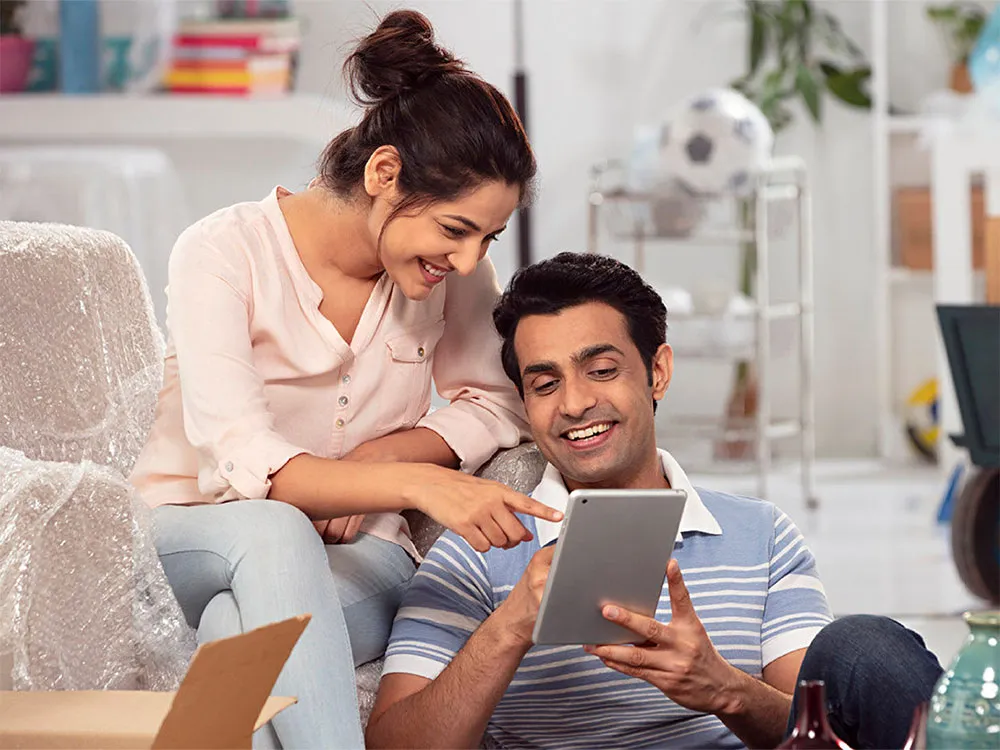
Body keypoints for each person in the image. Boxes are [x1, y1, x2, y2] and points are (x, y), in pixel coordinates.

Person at [128, 11, 561, 750]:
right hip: (192, 534)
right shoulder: (221, 252)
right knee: (270, 531)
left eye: (486, 239)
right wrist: (417, 486)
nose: (466, 261)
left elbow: (497, 402)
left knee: (241, 640)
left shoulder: (456, 276)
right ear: (384, 174)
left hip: (366, 555)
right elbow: (243, 464)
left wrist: (383, 460)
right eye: (456, 230)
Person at [366, 252, 945, 750]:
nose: (574, 403)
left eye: (601, 370)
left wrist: (724, 689)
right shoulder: (474, 549)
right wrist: (511, 625)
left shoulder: (761, 536)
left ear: (657, 372)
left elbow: (820, 730)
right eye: (545, 385)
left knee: (861, 645)